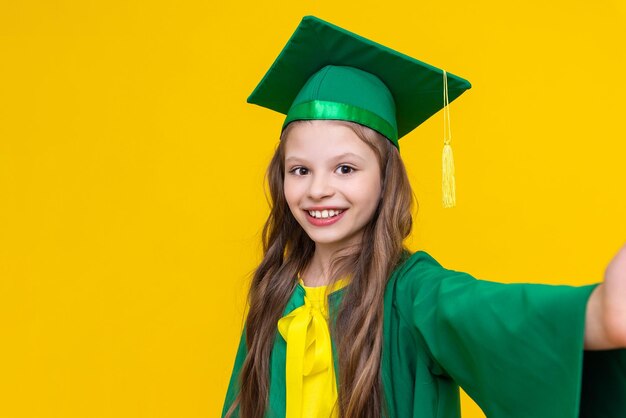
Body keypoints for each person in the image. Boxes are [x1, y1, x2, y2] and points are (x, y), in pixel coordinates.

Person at [221, 15, 626, 418]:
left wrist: (599, 313)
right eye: (300, 170)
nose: (317, 189)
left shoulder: (412, 293)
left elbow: (483, 313)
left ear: (385, 179)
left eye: (345, 168)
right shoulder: (275, 288)